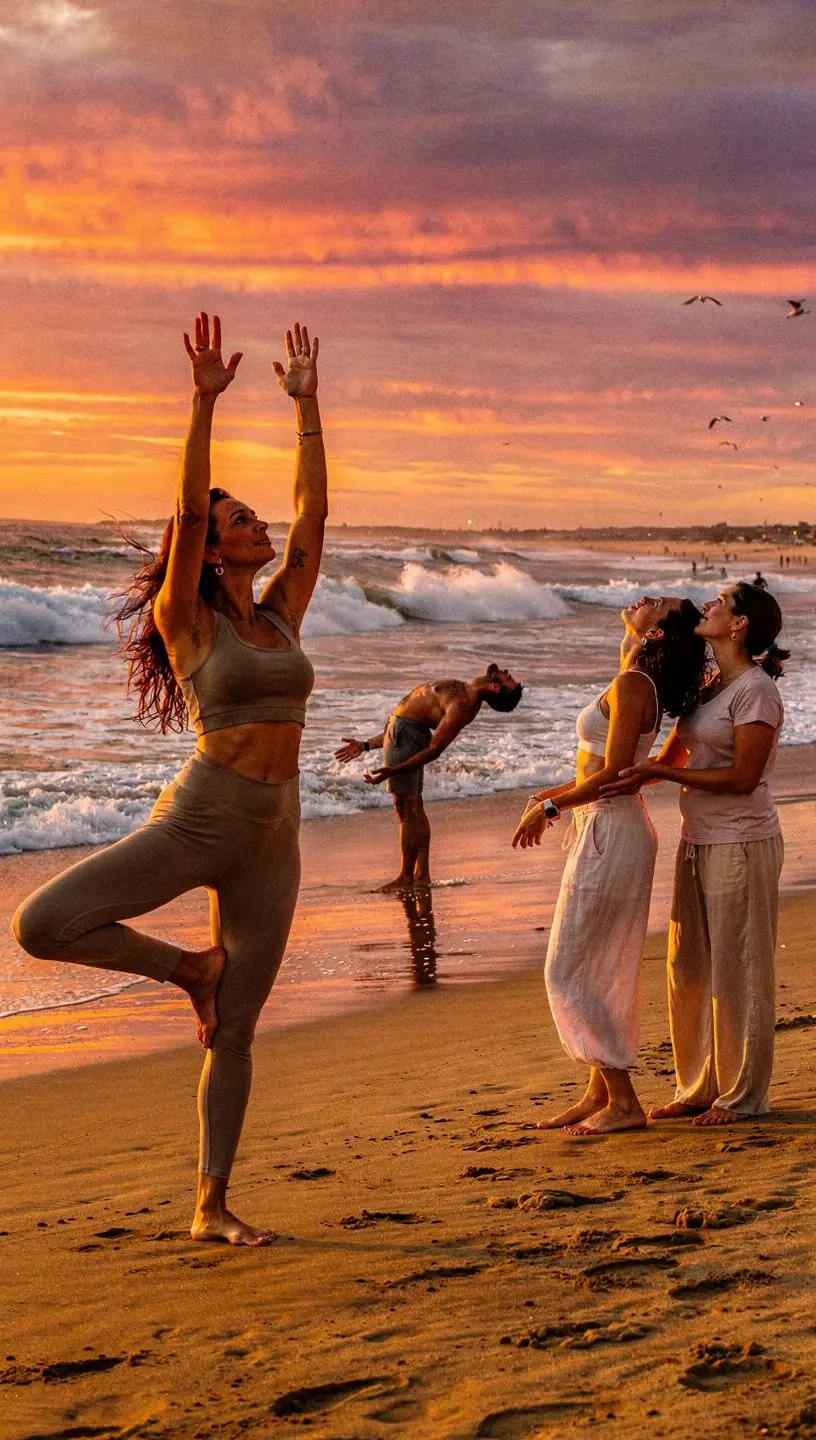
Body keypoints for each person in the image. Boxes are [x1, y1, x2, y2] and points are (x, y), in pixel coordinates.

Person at [12, 314, 327, 1246]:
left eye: (251, 517)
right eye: (243, 520)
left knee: (235, 1031)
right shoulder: (187, 618)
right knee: (43, 924)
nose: (258, 523)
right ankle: (183, 968)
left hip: (277, 836)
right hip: (200, 818)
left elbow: (314, 516)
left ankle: (211, 1204)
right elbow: (188, 512)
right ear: (216, 546)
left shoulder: (281, 614)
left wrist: (308, 409)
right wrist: (202, 405)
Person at [512, 597, 707, 1137]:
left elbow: (618, 771)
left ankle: (623, 1101)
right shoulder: (634, 676)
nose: (645, 600)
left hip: (611, 827)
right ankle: (600, 1091)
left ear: (661, 636)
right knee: (598, 961)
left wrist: (551, 806)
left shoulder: (633, 687)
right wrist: (549, 795)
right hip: (604, 823)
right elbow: (599, 765)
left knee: (569, 966)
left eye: (657, 605)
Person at [603, 583, 788, 1126]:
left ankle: (742, 1095)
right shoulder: (710, 685)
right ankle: (698, 1086)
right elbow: (674, 748)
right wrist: (637, 772)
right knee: (687, 967)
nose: (709, 605)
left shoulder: (755, 691)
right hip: (697, 837)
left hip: (743, 840)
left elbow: (743, 777)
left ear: (739, 625)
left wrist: (662, 773)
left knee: (740, 966)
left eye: (721, 602)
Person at [335, 665, 522, 890]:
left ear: (494, 687)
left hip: (407, 739)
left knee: (406, 808)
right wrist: (366, 745)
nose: (506, 671)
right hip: (407, 735)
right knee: (415, 807)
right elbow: (410, 719)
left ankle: (406, 877)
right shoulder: (465, 692)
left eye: (507, 677)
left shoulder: (462, 706)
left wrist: (395, 770)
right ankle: (421, 875)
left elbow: (434, 749)